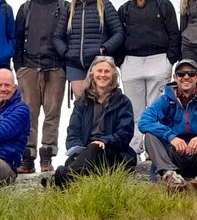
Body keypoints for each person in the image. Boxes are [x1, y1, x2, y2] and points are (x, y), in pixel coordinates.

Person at [138, 59, 197, 192]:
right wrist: (170, 137)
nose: (186, 77)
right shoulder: (165, 99)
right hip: (174, 154)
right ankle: (169, 175)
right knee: (149, 136)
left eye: (191, 73)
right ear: (175, 77)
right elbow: (144, 122)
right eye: (181, 74)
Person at [117, 0, 180, 158]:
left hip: (158, 61)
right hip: (131, 63)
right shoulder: (125, 8)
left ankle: (154, 149)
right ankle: (134, 149)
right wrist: (121, 61)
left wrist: (170, 59)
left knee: (155, 109)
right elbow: (119, 35)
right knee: (135, 111)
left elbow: (174, 33)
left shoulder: (164, 5)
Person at [52, 56, 137, 189]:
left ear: (114, 75)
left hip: (113, 153)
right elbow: (73, 132)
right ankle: (66, 180)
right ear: (92, 74)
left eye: (107, 71)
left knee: (94, 148)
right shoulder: (82, 102)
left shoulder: (123, 102)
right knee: (72, 159)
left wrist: (105, 141)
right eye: (99, 71)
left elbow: (125, 133)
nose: (103, 75)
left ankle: (61, 179)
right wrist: (77, 147)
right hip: (87, 152)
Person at [14, 0, 68, 174]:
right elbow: (17, 39)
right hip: (29, 68)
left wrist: (64, 63)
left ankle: (47, 156)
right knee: (28, 115)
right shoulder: (26, 8)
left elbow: (69, 36)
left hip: (55, 68)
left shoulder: (64, 6)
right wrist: (19, 67)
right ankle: (27, 158)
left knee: (52, 114)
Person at [53, 0, 124, 100]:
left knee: (101, 102)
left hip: (99, 63)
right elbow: (57, 37)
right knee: (81, 103)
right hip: (75, 64)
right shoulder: (69, 9)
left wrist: (104, 49)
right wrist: (66, 52)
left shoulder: (104, 5)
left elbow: (119, 32)